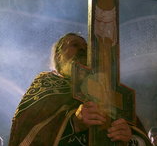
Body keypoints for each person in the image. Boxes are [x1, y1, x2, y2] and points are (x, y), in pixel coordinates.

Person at [8, 33, 149, 145]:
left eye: (86, 48)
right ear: (58, 56)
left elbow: (138, 134)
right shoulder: (48, 83)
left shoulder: (107, 89)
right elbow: (27, 131)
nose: (83, 49)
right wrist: (74, 123)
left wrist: (130, 138)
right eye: (74, 45)